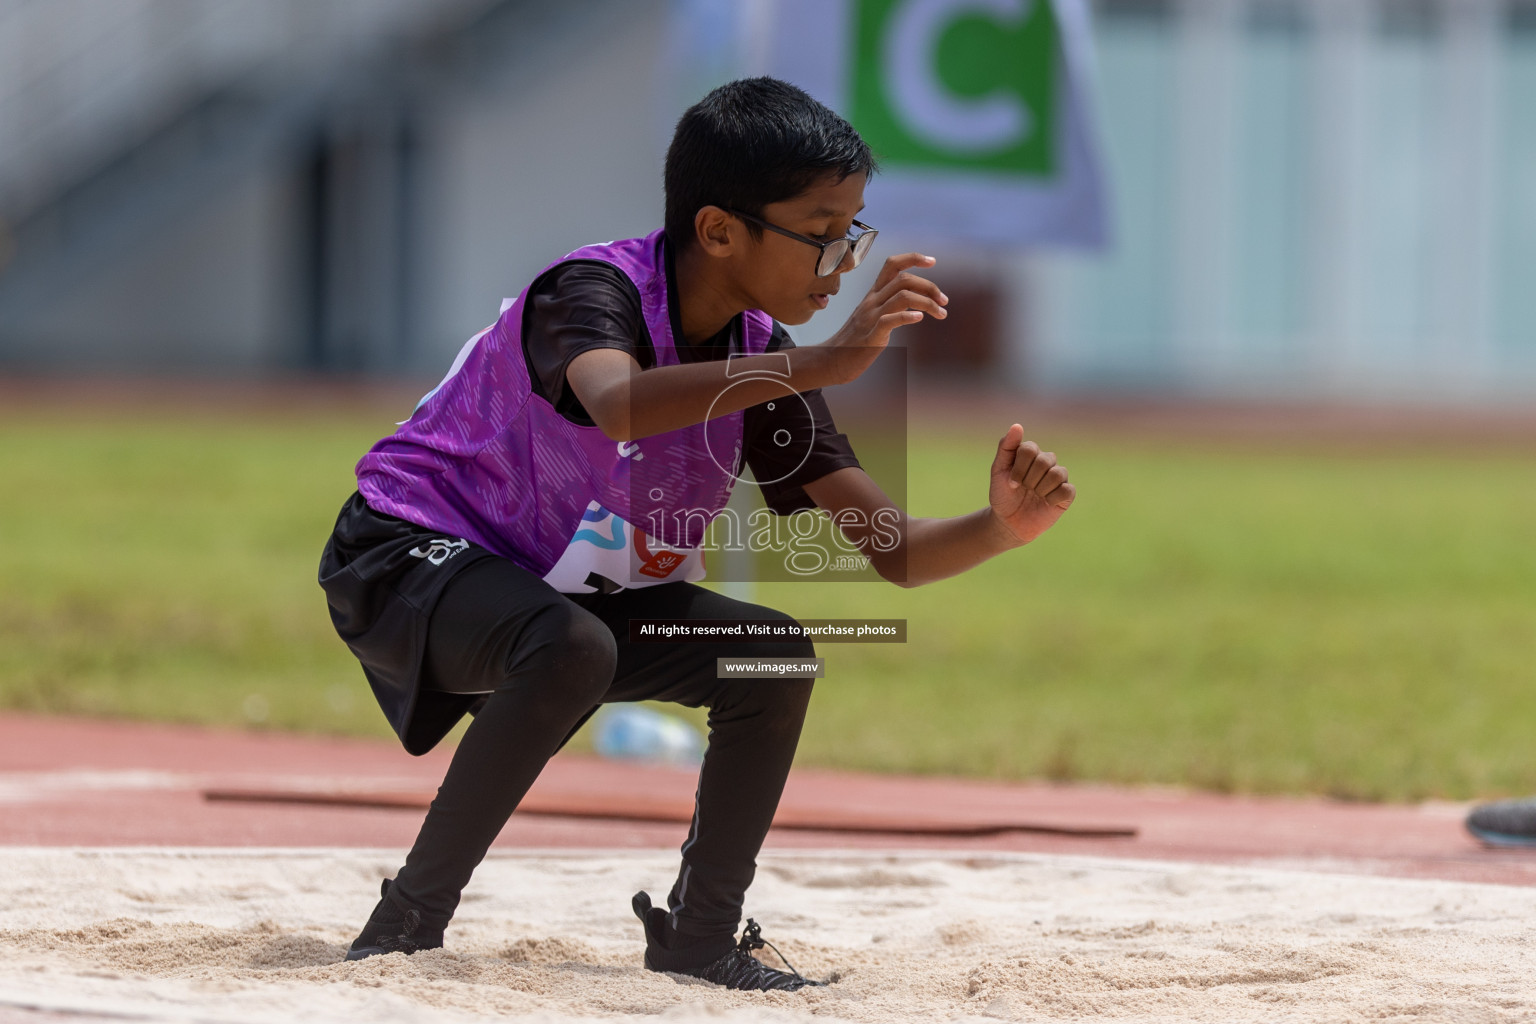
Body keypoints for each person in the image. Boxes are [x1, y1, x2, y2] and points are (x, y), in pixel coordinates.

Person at [317, 77, 1076, 992]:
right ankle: (403, 929)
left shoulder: (764, 360)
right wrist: (821, 360)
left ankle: (702, 937)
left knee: (773, 658)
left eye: (854, 227)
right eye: (821, 228)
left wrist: (1002, 527)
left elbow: (897, 553)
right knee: (567, 647)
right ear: (719, 230)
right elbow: (622, 402)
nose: (843, 259)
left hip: (556, 592)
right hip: (403, 555)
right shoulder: (592, 291)